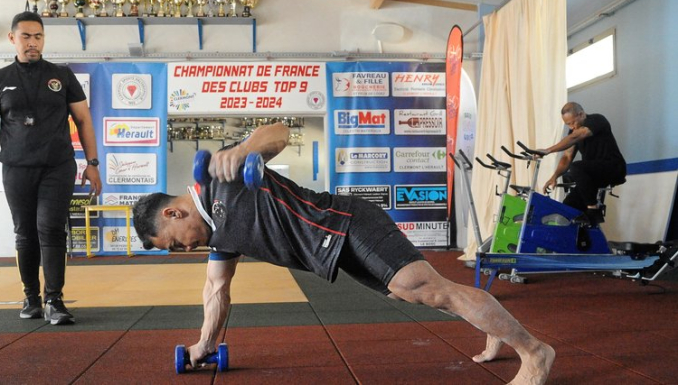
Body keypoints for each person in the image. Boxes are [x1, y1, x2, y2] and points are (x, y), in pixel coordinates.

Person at [133, 122, 555, 384]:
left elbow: (278, 132)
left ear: (173, 212)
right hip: (335, 253)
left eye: (174, 242)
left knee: (424, 288)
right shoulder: (218, 234)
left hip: (349, 224)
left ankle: (535, 353)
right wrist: (205, 344)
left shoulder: (222, 179)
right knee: (417, 293)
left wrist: (243, 151)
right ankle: (493, 324)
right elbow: (215, 291)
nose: (185, 248)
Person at [0, 11, 102, 325]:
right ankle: (31, 298)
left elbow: (83, 121)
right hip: (16, 169)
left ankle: (55, 299)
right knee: (25, 233)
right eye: (25, 36)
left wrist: (92, 164)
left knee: (51, 229)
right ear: (12, 38)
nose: (32, 43)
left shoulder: (62, 76)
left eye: (38, 36)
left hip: (58, 167)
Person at [537, 102, 626, 222]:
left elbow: (577, 136)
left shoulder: (597, 120)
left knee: (577, 167)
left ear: (581, 114)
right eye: (567, 124)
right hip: (593, 174)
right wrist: (554, 177)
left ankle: (593, 210)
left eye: (572, 122)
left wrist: (548, 150)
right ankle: (581, 238)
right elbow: (567, 157)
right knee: (568, 208)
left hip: (613, 167)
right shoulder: (573, 132)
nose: (571, 127)